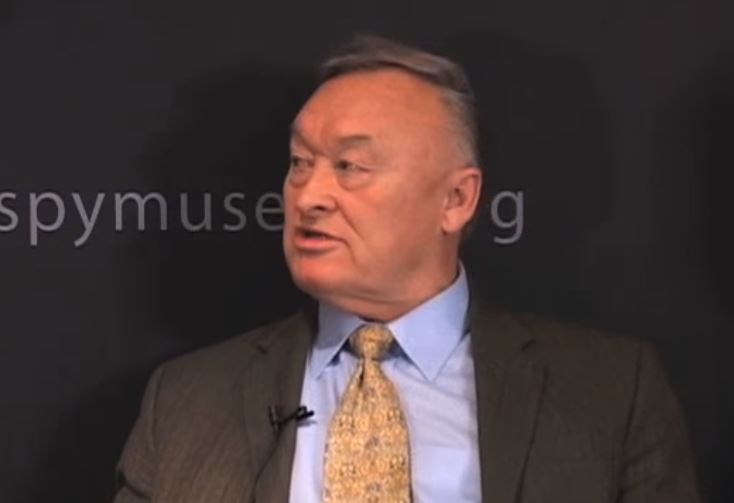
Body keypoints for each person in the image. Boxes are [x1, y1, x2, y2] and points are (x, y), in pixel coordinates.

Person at [113, 35, 701, 503]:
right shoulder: (186, 402)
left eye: (350, 166)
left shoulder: (612, 393)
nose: (309, 195)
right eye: (299, 163)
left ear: (456, 200)